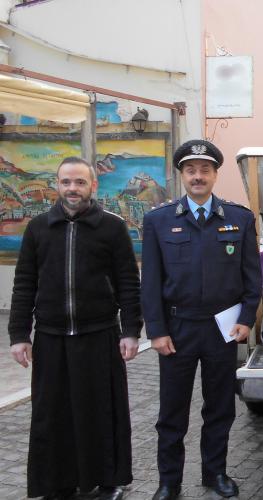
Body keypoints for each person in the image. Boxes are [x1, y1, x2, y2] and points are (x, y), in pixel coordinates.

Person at [8, 157, 140, 500]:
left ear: (93, 186)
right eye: (66, 181)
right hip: (51, 336)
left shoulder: (111, 227)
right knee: (53, 415)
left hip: (99, 333)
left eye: (80, 182)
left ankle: (108, 481)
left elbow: (128, 282)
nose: (72, 188)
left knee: (102, 411)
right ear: (57, 185)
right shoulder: (38, 228)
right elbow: (25, 283)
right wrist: (19, 335)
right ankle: (57, 482)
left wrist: (130, 330)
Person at [141, 140, 262, 500]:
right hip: (177, 329)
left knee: (220, 406)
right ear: (182, 175)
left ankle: (215, 473)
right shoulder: (159, 220)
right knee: (172, 410)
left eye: (204, 170)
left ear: (215, 175)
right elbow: (151, 283)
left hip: (222, 328)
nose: (198, 176)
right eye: (191, 170)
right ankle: (169, 481)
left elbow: (252, 277)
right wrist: (156, 331)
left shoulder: (239, 219)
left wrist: (246, 319)